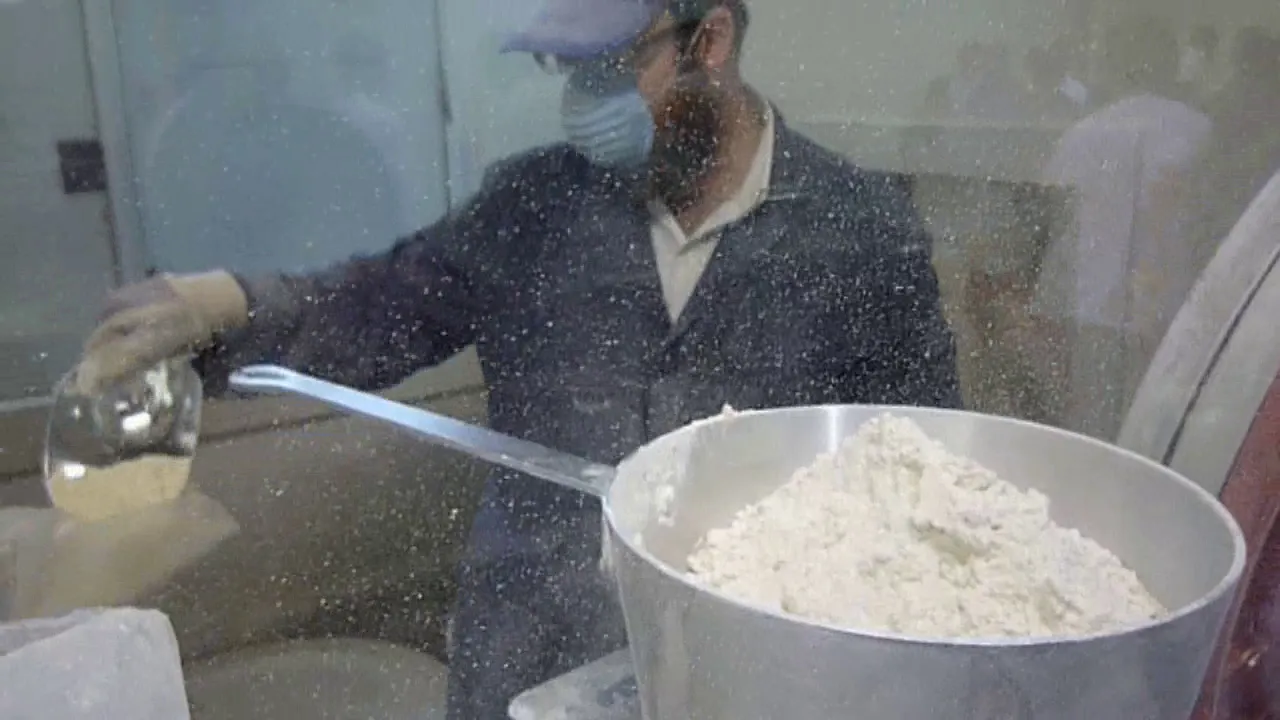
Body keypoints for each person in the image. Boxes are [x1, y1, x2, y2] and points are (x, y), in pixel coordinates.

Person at [74, 0, 962, 716]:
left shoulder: (858, 234)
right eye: (565, 71)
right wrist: (225, 305)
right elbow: (379, 305)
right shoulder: (538, 205)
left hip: (750, 664)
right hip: (530, 652)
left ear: (711, 39)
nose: (583, 103)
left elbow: (915, 474)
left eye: (610, 67)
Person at [1029, 16, 1210, 441]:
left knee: (1093, 426)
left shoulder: (1083, 133)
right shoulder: (1198, 130)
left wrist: (1048, 304)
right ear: (1167, 63)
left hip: (1092, 306)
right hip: (1172, 307)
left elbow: (1054, 218)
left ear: (1114, 65)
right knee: (1165, 427)